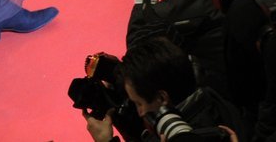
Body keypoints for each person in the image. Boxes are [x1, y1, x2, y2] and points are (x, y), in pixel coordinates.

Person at [84, 37, 248, 142]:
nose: (139, 112)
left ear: (162, 98)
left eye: (139, 103)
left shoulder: (182, 137)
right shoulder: (214, 101)